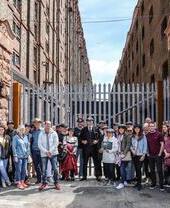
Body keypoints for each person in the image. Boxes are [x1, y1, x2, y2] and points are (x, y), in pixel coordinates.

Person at [38, 121, 60, 191]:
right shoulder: (41, 133)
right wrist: (46, 151)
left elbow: (56, 143)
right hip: (44, 154)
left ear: (51, 125)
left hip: (53, 153)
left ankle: (56, 182)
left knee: (55, 169)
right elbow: (39, 144)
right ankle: (44, 183)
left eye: (49, 125)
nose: (48, 126)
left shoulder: (54, 133)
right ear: (44, 125)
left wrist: (50, 151)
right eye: (47, 124)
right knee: (44, 169)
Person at [80, 117, 100, 181]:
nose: (90, 122)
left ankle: (97, 176)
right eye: (88, 121)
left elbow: (100, 137)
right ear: (87, 122)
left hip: (94, 149)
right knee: (85, 163)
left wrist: (97, 141)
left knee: (96, 163)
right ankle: (84, 176)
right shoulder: (83, 129)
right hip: (86, 149)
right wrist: (83, 141)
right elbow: (80, 138)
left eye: (91, 121)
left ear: (93, 122)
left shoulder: (96, 129)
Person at [147, 122, 164, 191]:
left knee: (159, 170)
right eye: (150, 126)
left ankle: (161, 185)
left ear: (155, 127)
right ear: (149, 127)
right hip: (150, 155)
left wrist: (160, 153)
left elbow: (162, 144)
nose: (151, 127)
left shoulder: (159, 134)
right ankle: (153, 183)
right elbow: (147, 145)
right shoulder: (147, 135)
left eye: (152, 126)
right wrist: (148, 153)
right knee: (152, 170)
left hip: (158, 155)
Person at [12, 125, 30, 190]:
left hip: (25, 156)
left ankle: (22, 182)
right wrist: (15, 155)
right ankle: (18, 182)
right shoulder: (15, 137)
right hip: (18, 156)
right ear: (18, 130)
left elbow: (28, 146)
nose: (22, 130)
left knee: (24, 170)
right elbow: (13, 147)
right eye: (20, 129)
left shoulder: (25, 137)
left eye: (23, 129)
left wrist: (28, 154)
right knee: (18, 170)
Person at [131, 124, 148, 191]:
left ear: (140, 129)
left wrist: (144, 155)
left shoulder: (143, 136)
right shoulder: (132, 136)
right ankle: (138, 183)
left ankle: (139, 183)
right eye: (135, 128)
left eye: (138, 128)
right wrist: (132, 150)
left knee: (138, 169)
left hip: (141, 155)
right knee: (136, 169)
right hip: (134, 155)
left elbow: (145, 145)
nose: (137, 129)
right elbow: (131, 145)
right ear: (134, 129)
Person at [30, 118, 42, 184]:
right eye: (36, 123)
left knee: (43, 165)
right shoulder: (32, 132)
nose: (37, 124)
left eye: (38, 122)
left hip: (41, 150)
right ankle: (39, 179)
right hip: (34, 150)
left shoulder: (43, 131)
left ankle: (44, 179)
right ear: (34, 124)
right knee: (36, 165)